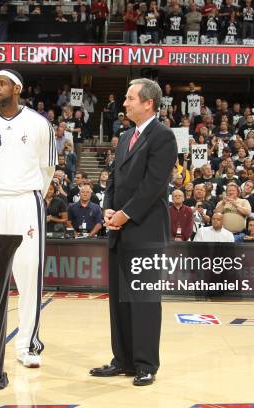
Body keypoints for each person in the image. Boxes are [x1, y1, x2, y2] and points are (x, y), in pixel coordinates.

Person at [90, 78, 176, 386]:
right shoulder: (126, 136)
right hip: (119, 230)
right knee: (119, 301)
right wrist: (108, 209)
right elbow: (113, 180)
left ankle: (145, 363)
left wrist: (125, 215)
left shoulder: (163, 136)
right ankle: (123, 360)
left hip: (145, 231)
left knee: (143, 301)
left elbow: (153, 186)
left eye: (129, 98)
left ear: (148, 103)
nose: (124, 104)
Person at [0, 69, 56, 368]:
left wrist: (30, 193)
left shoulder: (38, 123)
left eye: (2, 83)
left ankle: (27, 345)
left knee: (28, 274)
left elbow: (48, 168)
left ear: (17, 88)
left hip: (26, 201)